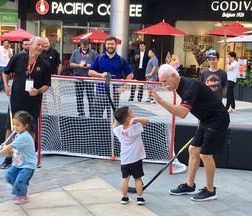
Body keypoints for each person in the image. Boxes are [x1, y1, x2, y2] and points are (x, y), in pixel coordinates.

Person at [149, 64, 230, 202]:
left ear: (174, 76)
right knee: (193, 150)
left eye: (165, 81)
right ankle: (189, 185)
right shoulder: (180, 85)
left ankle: (210, 190)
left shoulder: (190, 86)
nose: (163, 84)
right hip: (205, 119)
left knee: (205, 154)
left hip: (217, 119)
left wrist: (161, 101)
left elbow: (182, 113)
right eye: (161, 81)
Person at [0, 36, 51, 169]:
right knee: (11, 128)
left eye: (42, 46)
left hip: (33, 103)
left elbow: (47, 85)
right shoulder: (18, 57)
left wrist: (38, 91)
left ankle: (29, 157)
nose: (40, 47)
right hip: (16, 100)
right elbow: (6, 72)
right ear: (30, 45)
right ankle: (8, 157)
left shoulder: (44, 63)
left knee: (31, 130)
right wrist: (6, 85)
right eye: (37, 45)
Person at [0, 111, 37, 205]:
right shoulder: (18, 135)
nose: (15, 127)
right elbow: (15, 149)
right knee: (9, 176)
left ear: (25, 126)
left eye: (18, 125)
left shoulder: (24, 137)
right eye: (14, 125)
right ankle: (20, 189)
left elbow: (10, 147)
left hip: (28, 165)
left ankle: (23, 196)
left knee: (20, 181)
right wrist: (5, 146)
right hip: (18, 162)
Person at [89, 36, 133, 118]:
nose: (110, 46)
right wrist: (100, 75)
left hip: (114, 94)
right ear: (105, 45)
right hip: (100, 93)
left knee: (114, 118)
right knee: (97, 118)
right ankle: (99, 131)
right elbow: (90, 72)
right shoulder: (99, 58)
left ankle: (112, 131)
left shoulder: (121, 60)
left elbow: (130, 74)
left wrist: (124, 87)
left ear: (116, 45)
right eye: (108, 44)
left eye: (112, 44)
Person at [113, 106, 148, 205]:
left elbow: (114, 127)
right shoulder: (135, 128)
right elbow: (146, 121)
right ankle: (140, 198)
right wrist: (135, 119)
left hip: (124, 160)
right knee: (137, 178)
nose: (133, 113)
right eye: (131, 113)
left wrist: (116, 118)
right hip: (135, 159)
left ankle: (124, 198)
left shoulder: (119, 130)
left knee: (125, 178)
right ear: (128, 118)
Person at [69, 38, 97, 116]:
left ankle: (92, 113)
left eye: (86, 46)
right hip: (78, 76)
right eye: (83, 46)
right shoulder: (75, 52)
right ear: (80, 44)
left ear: (88, 45)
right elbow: (71, 64)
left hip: (89, 77)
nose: (84, 48)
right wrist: (79, 65)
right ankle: (81, 112)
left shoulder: (93, 53)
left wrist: (89, 65)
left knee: (90, 95)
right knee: (79, 96)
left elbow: (96, 65)